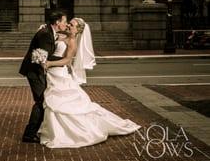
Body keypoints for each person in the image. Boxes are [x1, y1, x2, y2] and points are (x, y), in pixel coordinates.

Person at [37, 18, 141, 148]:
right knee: (53, 102)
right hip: (53, 74)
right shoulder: (61, 35)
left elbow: (67, 60)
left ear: (78, 30)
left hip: (59, 73)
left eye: (72, 25)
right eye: (69, 23)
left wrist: (49, 64)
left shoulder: (72, 41)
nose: (69, 25)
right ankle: (53, 130)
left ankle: (68, 133)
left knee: (58, 102)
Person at [19, 11, 68, 143]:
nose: (66, 24)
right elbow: (43, 56)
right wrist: (64, 60)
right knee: (41, 101)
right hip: (34, 72)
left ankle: (34, 131)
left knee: (42, 100)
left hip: (36, 71)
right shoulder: (46, 34)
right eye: (64, 21)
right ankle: (29, 135)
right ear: (57, 22)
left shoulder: (48, 32)